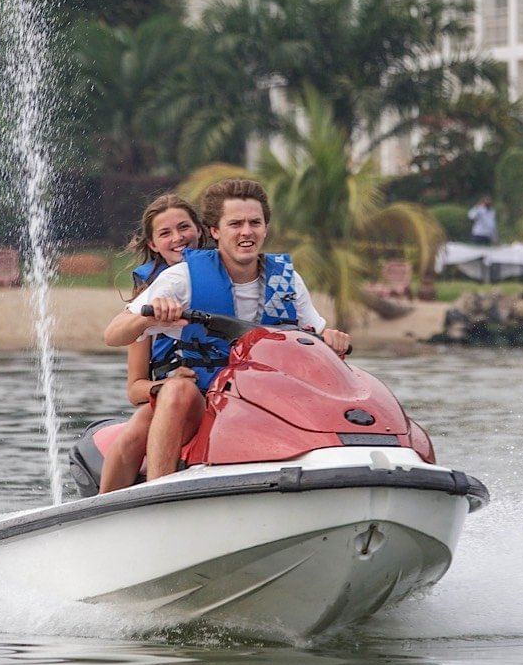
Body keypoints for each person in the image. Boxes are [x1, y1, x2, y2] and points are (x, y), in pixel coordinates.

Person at [103, 179, 351, 485]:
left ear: (265, 228)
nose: (246, 231)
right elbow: (113, 335)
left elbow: (318, 335)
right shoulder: (181, 279)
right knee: (173, 392)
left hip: (268, 401)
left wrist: (333, 340)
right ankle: (158, 493)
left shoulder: (287, 281)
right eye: (236, 223)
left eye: (254, 223)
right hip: (203, 399)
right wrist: (146, 317)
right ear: (215, 231)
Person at [98, 194, 207, 495]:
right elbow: (135, 389)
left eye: (184, 227)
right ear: (153, 245)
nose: (178, 238)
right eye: (165, 233)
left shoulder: (225, 279)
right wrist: (166, 386)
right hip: (169, 401)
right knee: (142, 422)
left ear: (200, 230)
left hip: (226, 395)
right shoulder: (147, 302)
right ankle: (101, 508)